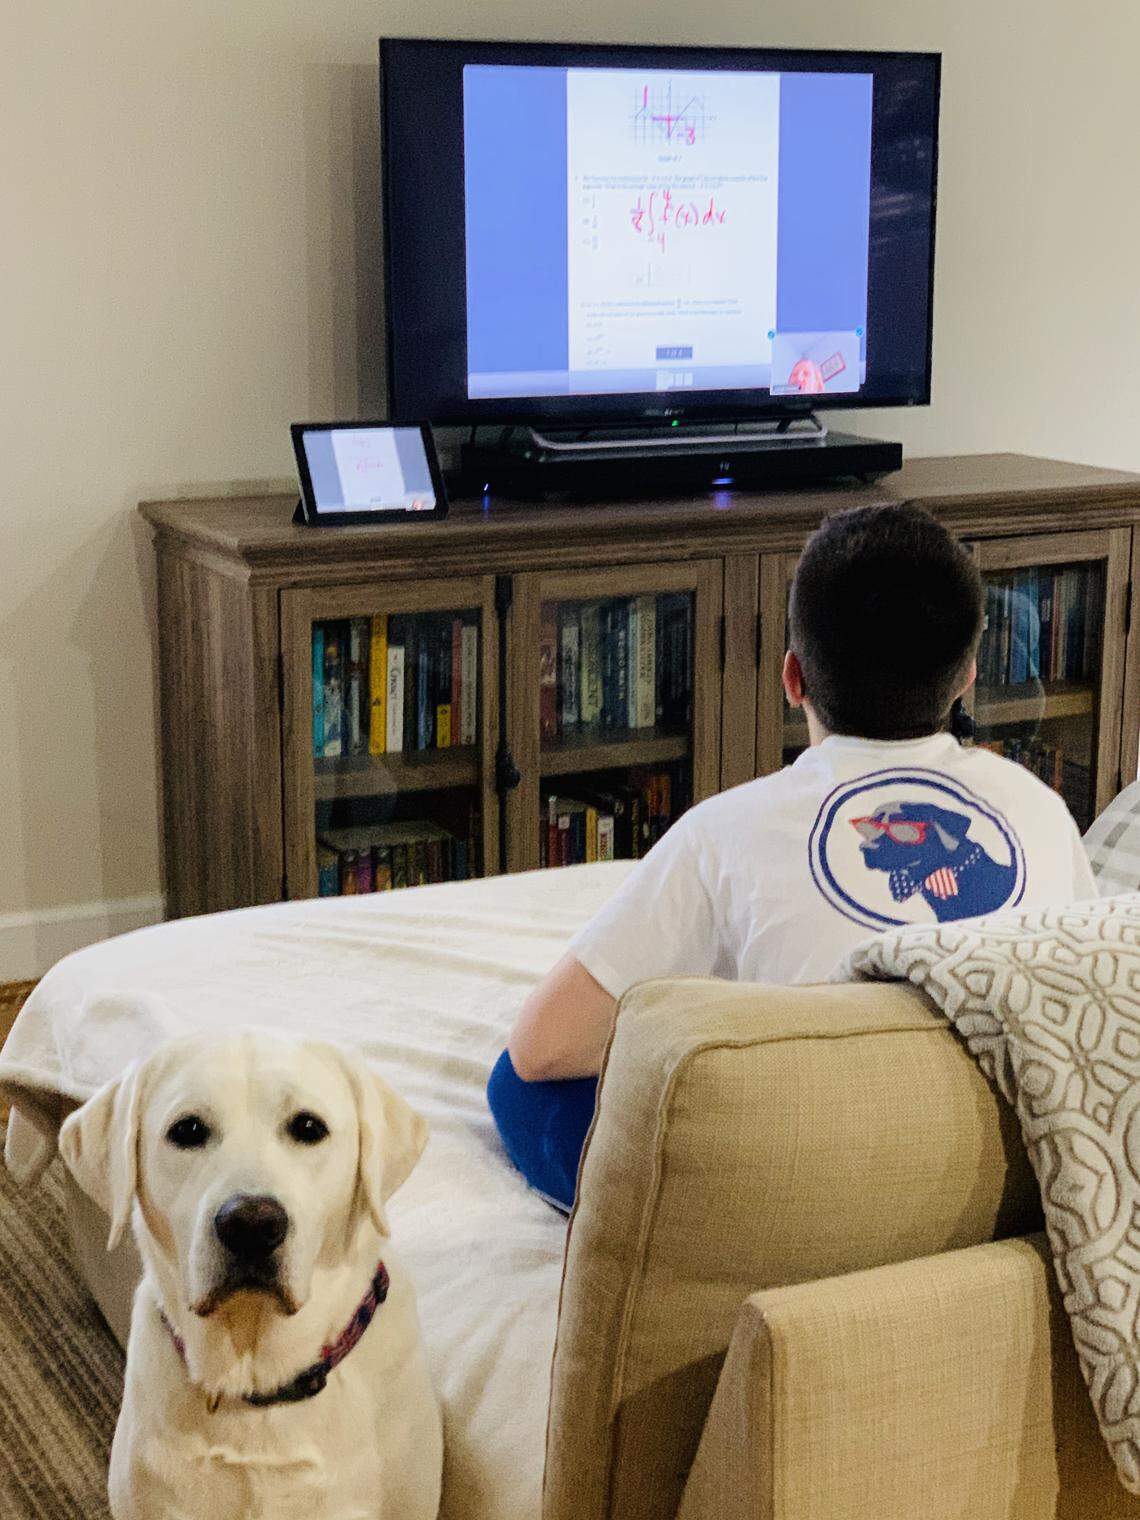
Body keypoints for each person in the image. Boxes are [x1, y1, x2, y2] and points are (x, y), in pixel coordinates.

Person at [488, 503, 1098, 1209]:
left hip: (818, 1195)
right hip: (1005, 1188)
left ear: (792, 676)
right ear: (966, 675)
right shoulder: (1040, 807)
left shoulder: (721, 831)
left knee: (517, 1087)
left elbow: (540, 1049)